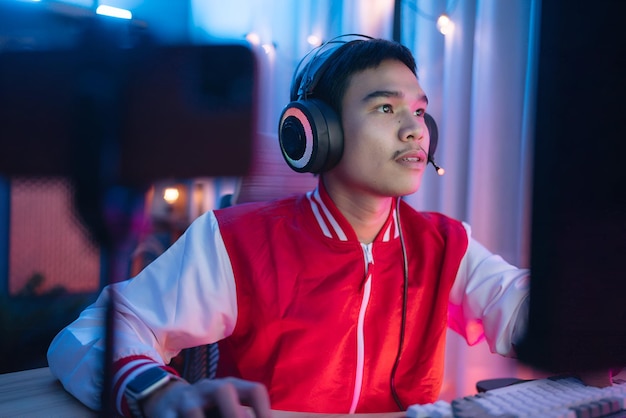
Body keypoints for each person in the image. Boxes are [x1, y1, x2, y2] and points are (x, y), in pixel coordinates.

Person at [48, 36, 532, 418]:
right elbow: (89, 336)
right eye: (386, 108)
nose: (415, 130)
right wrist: (155, 393)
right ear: (316, 132)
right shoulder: (236, 241)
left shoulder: (444, 245)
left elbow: (530, 310)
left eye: (420, 111)